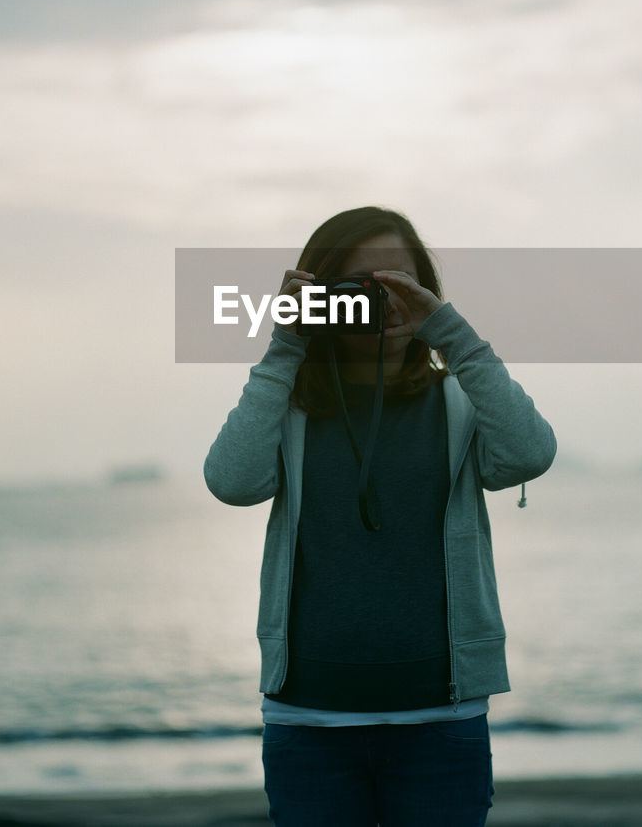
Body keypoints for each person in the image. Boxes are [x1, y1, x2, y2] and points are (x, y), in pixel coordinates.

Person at [204, 206, 556, 826]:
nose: (384, 299)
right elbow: (231, 482)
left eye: (401, 281)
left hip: (442, 723)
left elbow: (530, 453)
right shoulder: (290, 407)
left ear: (428, 292)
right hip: (308, 722)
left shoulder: (458, 402)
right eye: (361, 284)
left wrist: (452, 335)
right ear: (324, 294)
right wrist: (287, 341)